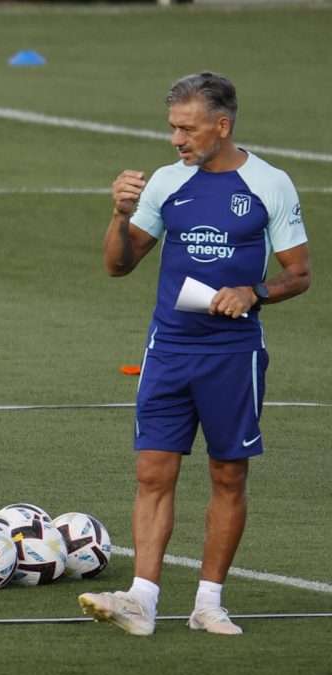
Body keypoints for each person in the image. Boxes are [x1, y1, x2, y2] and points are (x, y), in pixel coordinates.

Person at [82, 72, 311, 636]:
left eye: (187, 129)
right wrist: (119, 214)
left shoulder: (269, 184)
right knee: (152, 471)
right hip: (169, 348)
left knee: (228, 474)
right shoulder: (167, 182)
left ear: (222, 125)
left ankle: (209, 603)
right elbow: (118, 264)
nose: (176, 139)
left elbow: (300, 274)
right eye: (172, 128)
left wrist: (253, 292)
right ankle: (142, 600)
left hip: (233, 353)